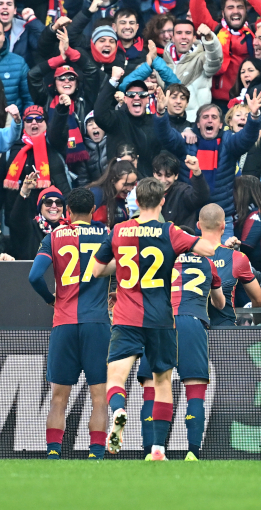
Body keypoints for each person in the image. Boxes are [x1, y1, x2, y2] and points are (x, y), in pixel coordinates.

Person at [88, 178, 216, 461]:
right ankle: (158, 449)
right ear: (162, 201)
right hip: (160, 318)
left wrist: (122, 262)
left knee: (116, 376)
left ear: (135, 201)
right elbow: (207, 249)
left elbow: (97, 270)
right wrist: (187, 246)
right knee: (162, 381)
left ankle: (119, 410)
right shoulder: (170, 231)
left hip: (126, 316)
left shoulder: (119, 230)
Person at [27, 187, 112, 460]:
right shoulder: (106, 236)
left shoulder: (53, 237)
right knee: (99, 397)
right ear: (93, 211)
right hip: (97, 323)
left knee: (58, 398)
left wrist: (51, 298)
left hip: (64, 322)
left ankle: (53, 453)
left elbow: (34, 276)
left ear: (68, 212)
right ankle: (96, 455)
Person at [135, 202, 225, 460]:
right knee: (194, 388)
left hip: (161, 321)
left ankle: (151, 450)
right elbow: (219, 303)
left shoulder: (161, 258)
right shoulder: (208, 263)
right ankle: (193, 452)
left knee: (152, 387)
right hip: (192, 322)